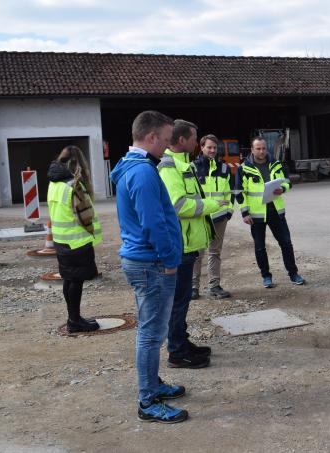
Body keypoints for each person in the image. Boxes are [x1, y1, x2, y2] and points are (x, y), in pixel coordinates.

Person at [110, 110, 188, 423]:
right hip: (151, 264)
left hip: (144, 262)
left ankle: (153, 384)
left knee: (151, 331)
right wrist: (170, 260)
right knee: (151, 335)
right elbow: (153, 222)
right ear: (152, 136)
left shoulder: (133, 166)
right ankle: (147, 401)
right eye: (166, 141)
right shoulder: (142, 172)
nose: (168, 147)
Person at [158, 120, 226, 369]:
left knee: (183, 300)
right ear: (181, 140)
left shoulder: (183, 163)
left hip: (188, 244)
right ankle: (177, 352)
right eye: (194, 137)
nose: (197, 142)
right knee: (178, 301)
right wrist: (211, 206)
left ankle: (181, 342)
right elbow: (178, 206)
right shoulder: (169, 167)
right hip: (181, 246)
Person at [236, 136, 305, 288]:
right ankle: (266, 276)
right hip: (256, 215)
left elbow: (287, 182)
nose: (261, 151)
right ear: (252, 150)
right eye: (258, 148)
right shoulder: (243, 168)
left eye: (263, 148)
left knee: (286, 243)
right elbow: (239, 192)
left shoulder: (277, 164)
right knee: (260, 247)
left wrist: (283, 189)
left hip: (276, 211)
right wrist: (244, 213)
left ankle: (293, 273)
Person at [47, 145, 102, 333]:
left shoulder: (54, 184)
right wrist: (92, 231)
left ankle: (73, 317)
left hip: (61, 241)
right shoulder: (74, 186)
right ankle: (75, 321)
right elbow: (85, 215)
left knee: (69, 280)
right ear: (78, 164)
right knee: (76, 281)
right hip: (77, 242)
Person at [192, 134, 234, 300]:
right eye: (209, 147)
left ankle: (214, 286)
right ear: (201, 148)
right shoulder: (193, 168)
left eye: (215, 148)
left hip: (219, 217)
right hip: (200, 216)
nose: (212, 150)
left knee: (214, 252)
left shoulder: (224, 169)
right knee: (197, 253)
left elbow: (229, 193)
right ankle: (193, 287)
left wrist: (228, 212)